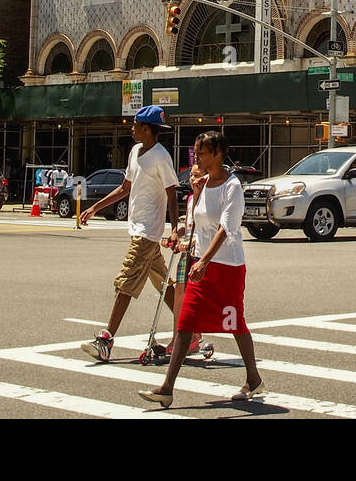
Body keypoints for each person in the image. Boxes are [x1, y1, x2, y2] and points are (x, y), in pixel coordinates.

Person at [140, 131, 263, 406]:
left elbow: (226, 228)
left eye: (203, 152)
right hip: (200, 262)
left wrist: (205, 261)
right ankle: (167, 388)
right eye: (197, 152)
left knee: (235, 323)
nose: (198, 157)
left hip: (227, 266)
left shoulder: (232, 186)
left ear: (218, 153)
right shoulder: (202, 184)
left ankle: (253, 378)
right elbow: (196, 222)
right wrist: (188, 245)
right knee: (185, 322)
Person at [79, 105, 180, 362]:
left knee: (125, 280)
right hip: (139, 228)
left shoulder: (161, 156)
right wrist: (94, 207)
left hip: (148, 232)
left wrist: (176, 228)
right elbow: (125, 187)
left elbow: (171, 193)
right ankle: (192, 333)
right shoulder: (135, 151)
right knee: (164, 284)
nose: (131, 128)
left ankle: (106, 339)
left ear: (147, 128)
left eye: (135, 124)